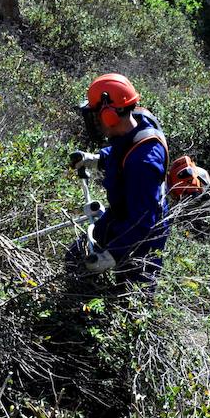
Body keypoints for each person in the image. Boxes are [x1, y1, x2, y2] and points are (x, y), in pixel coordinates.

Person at [67, 73, 169, 285]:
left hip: (143, 234)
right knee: (75, 258)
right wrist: (96, 159)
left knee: (131, 295)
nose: (93, 121)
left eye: (95, 114)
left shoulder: (143, 162)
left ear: (110, 115)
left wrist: (110, 256)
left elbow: (143, 222)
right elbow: (123, 150)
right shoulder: (137, 123)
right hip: (120, 216)